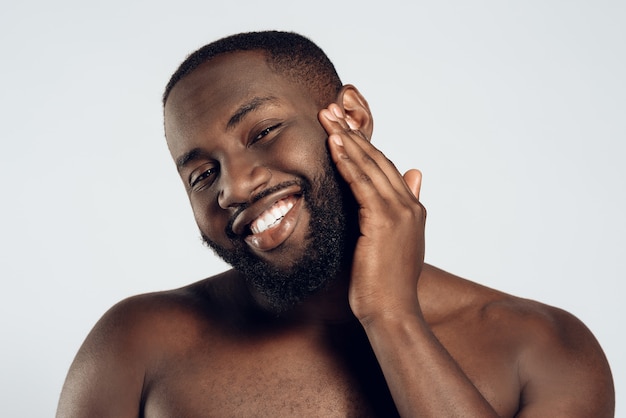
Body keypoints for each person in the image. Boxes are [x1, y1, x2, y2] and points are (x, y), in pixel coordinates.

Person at [57, 31, 614, 417]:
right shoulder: (136, 343)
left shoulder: (545, 348)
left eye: (261, 132)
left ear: (350, 117)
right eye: (203, 174)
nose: (234, 188)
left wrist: (391, 315)